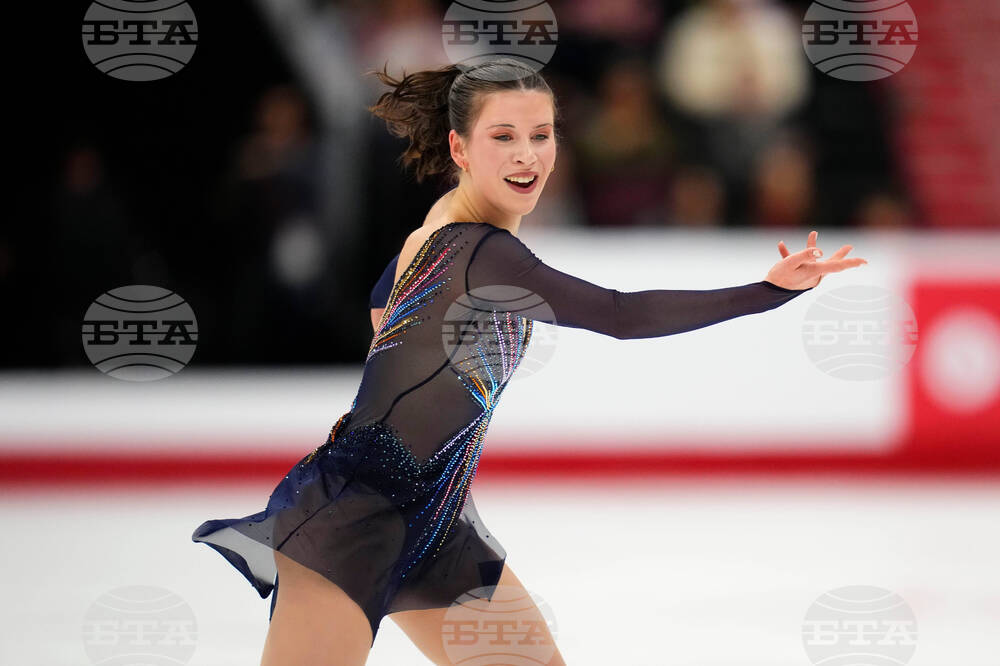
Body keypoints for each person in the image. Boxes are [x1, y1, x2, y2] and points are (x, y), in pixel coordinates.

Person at [191, 57, 867, 665]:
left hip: (437, 524)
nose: (528, 155)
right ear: (459, 147)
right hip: (354, 521)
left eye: (541, 134)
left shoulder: (430, 232)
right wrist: (768, 292)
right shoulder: (481, 252)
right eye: (504, 137)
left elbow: (391, 342)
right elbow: (618, 314)